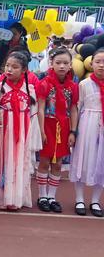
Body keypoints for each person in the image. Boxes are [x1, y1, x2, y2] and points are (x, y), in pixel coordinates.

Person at [0, 51, 39, 210]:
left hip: (22, 130)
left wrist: (32, 136)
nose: (10, 69)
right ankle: (3, 195)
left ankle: (16, 197)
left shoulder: (30, 89)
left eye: (15, 67)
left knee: (19, 161)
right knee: (4, 161)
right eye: (7, 65)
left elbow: (33, 114)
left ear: (24, 70)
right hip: (3, 130)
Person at [36, 47, 78, 213]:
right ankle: (42, 196)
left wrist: (73, 131)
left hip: (64, 127)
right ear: (51, 64)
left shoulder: (73, 87)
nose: (62, 66)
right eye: (58, 62)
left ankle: (52, 197)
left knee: (58, 164)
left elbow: (73, 108)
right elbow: (40, 108)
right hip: (47, 124)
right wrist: (41, 131)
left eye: (65, 63)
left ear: (70, 65)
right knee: (45, 161)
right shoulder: (44, 83)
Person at [70, 48, 104, 217]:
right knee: (82, 159)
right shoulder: (84, 84)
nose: (102, 66)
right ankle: (79, 199)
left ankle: (96, 200)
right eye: (98, 61)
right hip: (87, 124)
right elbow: (76, 107)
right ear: (91, 63)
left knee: (101, 162)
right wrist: (74, 131)